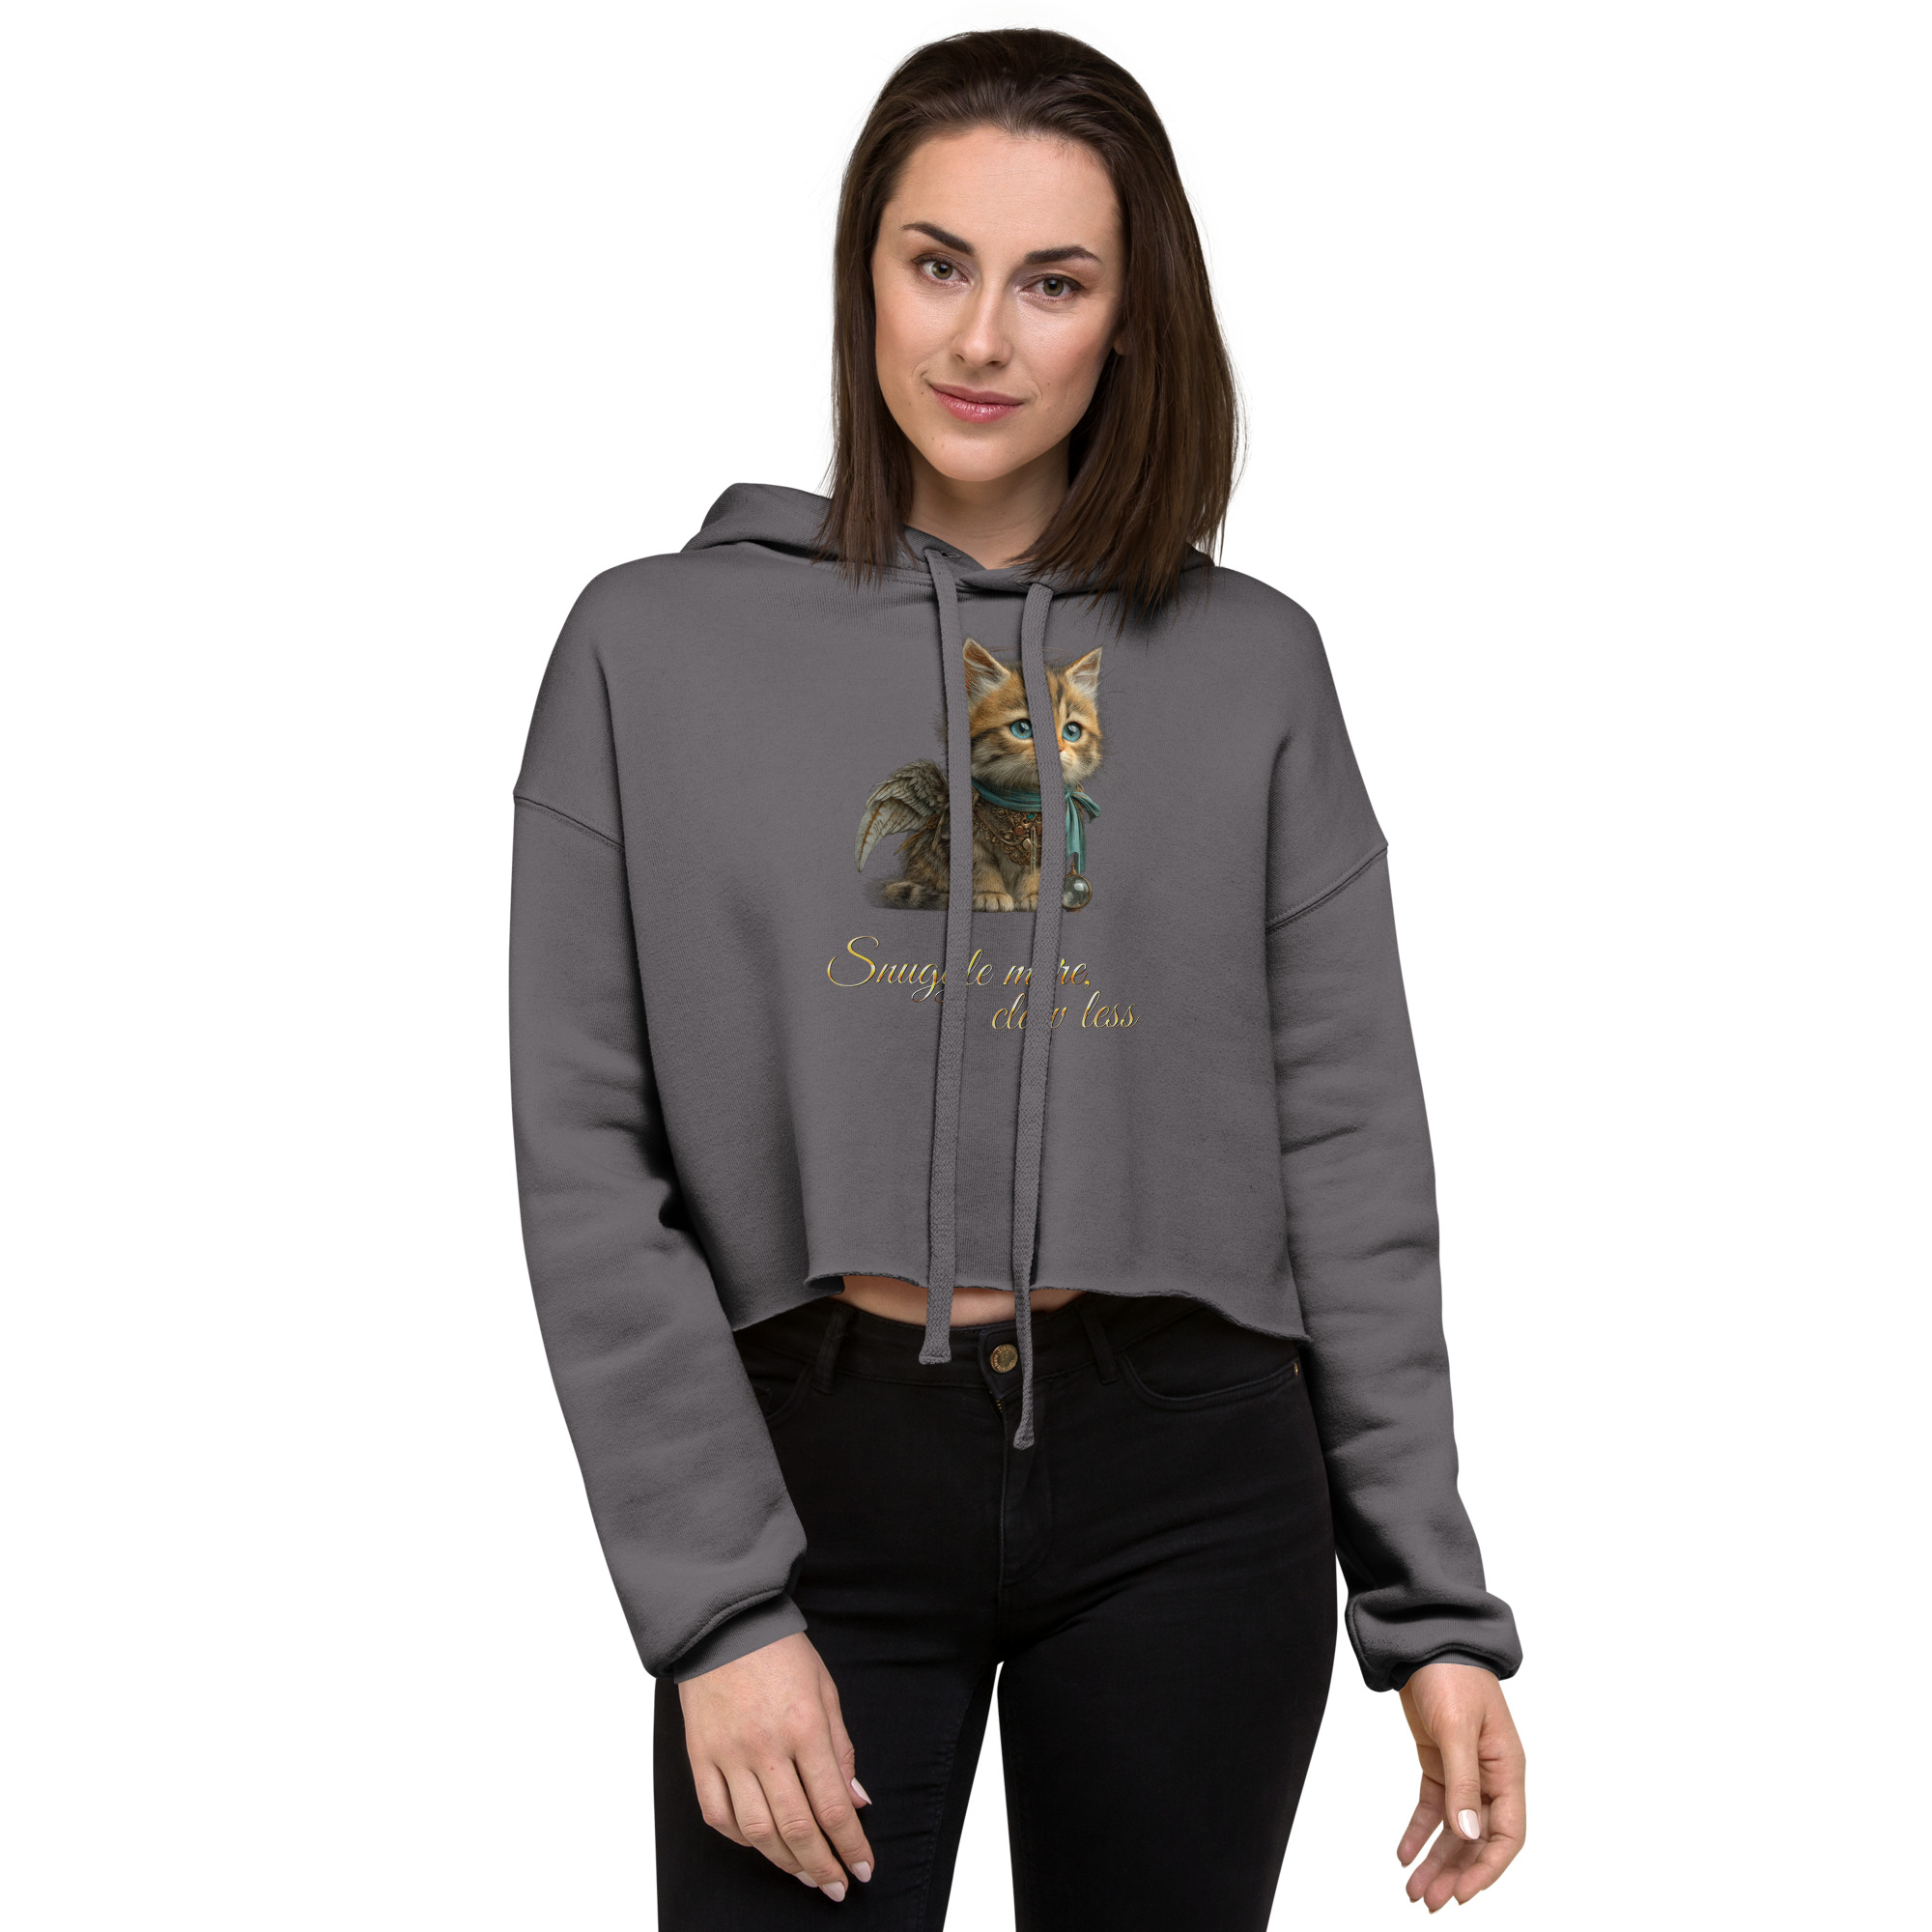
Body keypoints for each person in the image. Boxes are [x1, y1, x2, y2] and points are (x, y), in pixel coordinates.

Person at [509, 27, 1524, 1928]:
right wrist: (715, 1606)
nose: (980, 338)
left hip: (1190, 1476)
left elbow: (1349, 1149)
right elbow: (584, 1151)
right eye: (936, 263)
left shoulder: (1253, 667)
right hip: (808, 1477)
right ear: (864, 276)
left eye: (1053, 282)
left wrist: (1431, 1607)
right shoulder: (651, 648)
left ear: (1133, 323)